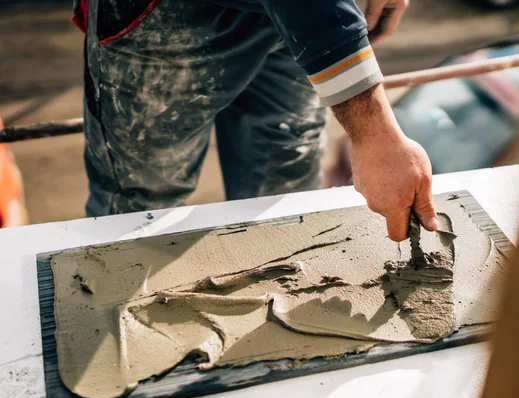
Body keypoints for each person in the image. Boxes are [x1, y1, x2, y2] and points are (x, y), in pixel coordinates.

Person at [72, 0, 437, 241]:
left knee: (281, 188)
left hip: (302, 14)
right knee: (140, 204)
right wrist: (375, 132)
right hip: (167, 12)